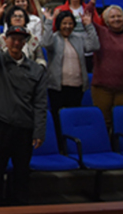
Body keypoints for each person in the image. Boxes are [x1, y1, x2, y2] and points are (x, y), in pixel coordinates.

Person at [0, 2, 47, 206]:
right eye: (13, 39)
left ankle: (19, 211)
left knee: (21, 172)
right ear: (6, 40)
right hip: (1, 125)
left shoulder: (36, 70)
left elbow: (40, 103)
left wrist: (39, 131)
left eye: (20, 40)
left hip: (24, 127)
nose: (17, 43)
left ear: (26, 42)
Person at [40, 8, 100, 140]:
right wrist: (49, 22)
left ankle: (73, 145)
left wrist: (89, 26)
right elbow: (45, 43)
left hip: (76, 85)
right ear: (59, 24)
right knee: (58, 118)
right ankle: (60, 145)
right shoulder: (54, 38)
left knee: (73, 118)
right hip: (57, 86)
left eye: (70, 23)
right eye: (64, 23)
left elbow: (94, 46)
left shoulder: (79, 38)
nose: (67, 26)